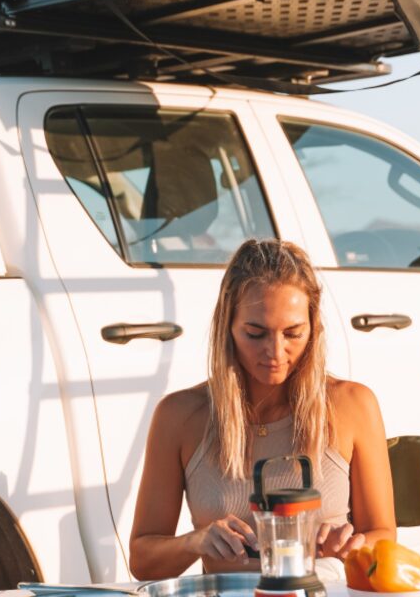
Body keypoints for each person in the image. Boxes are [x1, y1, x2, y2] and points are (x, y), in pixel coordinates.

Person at [129, 238, 396, 581]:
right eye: (256, 333)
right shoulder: (179, 416)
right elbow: (142, 561)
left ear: (314, 329)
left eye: (293, 333)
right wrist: (194, 542)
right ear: (228, 326)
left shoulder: (352, 404)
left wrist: (350, 544)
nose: (276, 351)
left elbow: (383, 534)